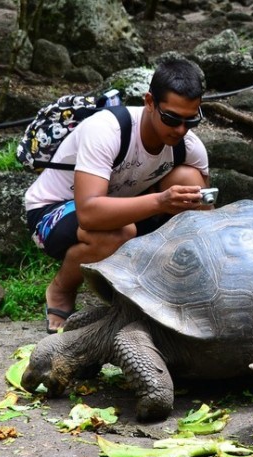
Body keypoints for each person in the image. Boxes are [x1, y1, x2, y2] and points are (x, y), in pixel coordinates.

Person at [24, 57, 211, 333]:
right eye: (171, 118)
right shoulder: (108, 130)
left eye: (190, 120)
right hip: (53, 212)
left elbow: (205, 221)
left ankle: (167, 291)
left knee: (190, 182)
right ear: (149, 102)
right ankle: (62, 289)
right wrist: (161, 202)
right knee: (119, 231)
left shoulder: (190, 147)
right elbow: (88, 213)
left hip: (124, 206)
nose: (181, 130)